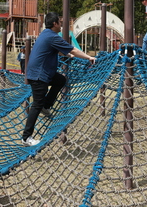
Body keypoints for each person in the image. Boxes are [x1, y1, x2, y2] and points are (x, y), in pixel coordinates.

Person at [22, 12, 96, 146]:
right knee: (36, 104)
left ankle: (47, 105)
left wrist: (67, 54)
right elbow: (74, 50)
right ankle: (26, 137)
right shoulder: (52, 37)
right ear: (55, 23)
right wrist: (89, 57)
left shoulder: (45, 34)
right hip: (39, 75)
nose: (61, 24)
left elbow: (58, 50)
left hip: (40, 73)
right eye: (60, 22)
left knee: (60, 80)